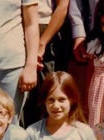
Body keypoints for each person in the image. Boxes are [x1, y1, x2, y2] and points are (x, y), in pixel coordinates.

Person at [22, 0, 71, 128]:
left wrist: (42, 42)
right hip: (14, 27)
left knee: (46, 94)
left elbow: (62, 6)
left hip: (45, 28)